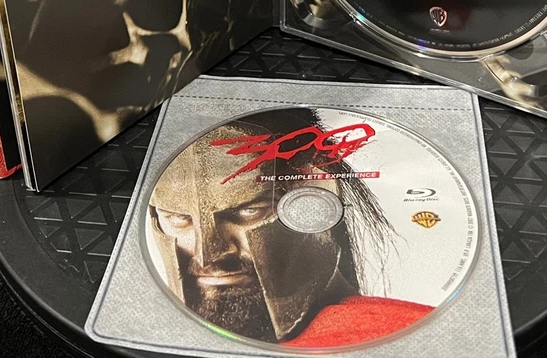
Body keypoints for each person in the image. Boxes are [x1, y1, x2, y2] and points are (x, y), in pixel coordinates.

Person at [147, 107, 432, 348]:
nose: (208, 256)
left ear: (314, 197)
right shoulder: (153, 335)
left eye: (249, 210)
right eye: (178, 218)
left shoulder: (400, 336)